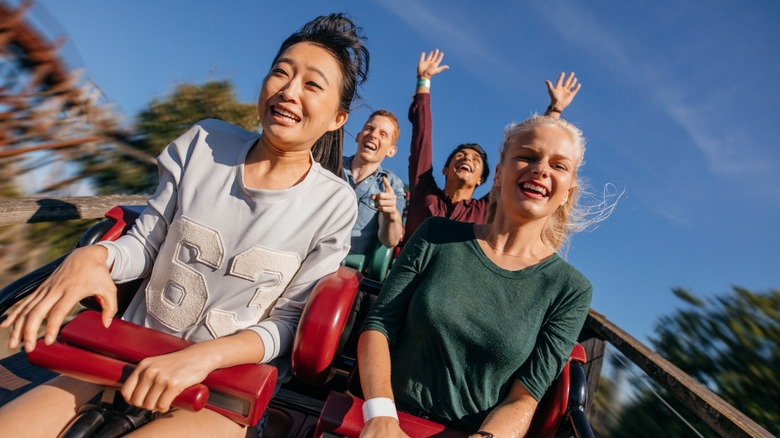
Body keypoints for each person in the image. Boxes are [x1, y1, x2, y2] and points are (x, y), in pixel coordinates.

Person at [0, 13, 369, 437]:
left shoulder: (333, 202)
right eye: (280, 72)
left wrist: (202, 358)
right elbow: (146, 245)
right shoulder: (203, 142)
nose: (288, 91)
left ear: (338, 119)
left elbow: (288, 323)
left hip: (221, 390)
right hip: (124, 354)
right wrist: (93, 256)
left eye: (311, 84)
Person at [357, 114, 597, 437]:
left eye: (559, 166)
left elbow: (525, 398)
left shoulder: (571, 289)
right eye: (527, 156)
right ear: (498, 174)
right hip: (383, 418)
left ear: (568, 191)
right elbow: (378, 325)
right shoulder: (435, 234)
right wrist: (381, 414)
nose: (540, 170)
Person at [405, 49, 582, 239]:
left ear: (483, 179)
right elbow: (421, 138)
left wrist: (554, 110)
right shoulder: (424, 190)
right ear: (445, 170)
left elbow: (525, 148)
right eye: (461, 155)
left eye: (476, 160)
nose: (467, 158)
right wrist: (424, 80)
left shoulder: (485, 209)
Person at [342, 110, 406, 255]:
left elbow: (390, 241)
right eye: (369, 128)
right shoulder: (331, 164)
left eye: (383, 134)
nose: (373, 135)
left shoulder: (391, 184)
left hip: (345, 269)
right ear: (358, 137)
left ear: (391, 151)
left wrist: (390, 214)